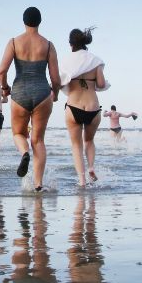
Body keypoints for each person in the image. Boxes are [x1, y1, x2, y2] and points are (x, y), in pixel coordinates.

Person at [0, 7, 61, 192]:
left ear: (24, 21)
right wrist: (55, 94)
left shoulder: (14, 43)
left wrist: (5, 88)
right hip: (42, 93)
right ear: (40, 21)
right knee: (38, 140)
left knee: (18, 133)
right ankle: (38, 184)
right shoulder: (48, 45)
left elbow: (1, 70)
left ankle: (24, 152)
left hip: (19, 93)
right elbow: (55, 79)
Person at [58, 27, 110, 186]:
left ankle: (82, 181)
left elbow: (60, 82)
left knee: (76, 145)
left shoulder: (66, 61)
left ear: (70, 43)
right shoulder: (96, 61)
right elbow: (101, 84)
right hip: (93, 108)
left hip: (74, 107)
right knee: (89, 141)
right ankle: (91, 167)